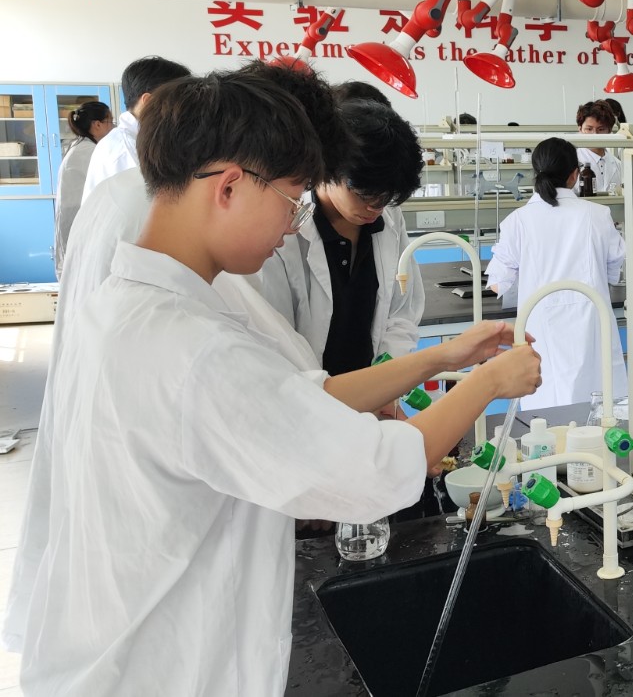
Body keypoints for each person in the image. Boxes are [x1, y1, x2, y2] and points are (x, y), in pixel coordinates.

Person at [10, 71, 541, 695]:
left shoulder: (136, 306)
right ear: (230, 185)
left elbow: (298, 398)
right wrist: (489, 382)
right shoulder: (195, 349)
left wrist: (444, 356)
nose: (293, 226)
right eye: (292, 200)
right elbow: (374, 470)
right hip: (164, 668)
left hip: (124, 645)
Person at [248, 97, 426, 377]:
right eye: (365, 195)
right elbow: (277, 337)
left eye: (387, 197)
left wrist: (385, 374)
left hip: (373, 388)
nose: (376, 208)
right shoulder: (287, 230)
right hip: (305, 390)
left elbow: (402, 311)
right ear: (327, 169)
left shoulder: (389, 218)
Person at [487, 137, 627, 410]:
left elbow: (498, 283)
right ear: (575, 175)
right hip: (591, 323)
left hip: (540, 328)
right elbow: (615, 266)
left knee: (545, 415)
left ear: (535, 173)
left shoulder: (517, 220)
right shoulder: (598, 214)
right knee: (599, 411)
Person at [81, 55, 190, 199]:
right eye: (180, 100)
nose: (186, 110)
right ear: (149, 102)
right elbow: (154, 203)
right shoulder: (127, 148)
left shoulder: (142, 140)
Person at [53, 100, 114, 277]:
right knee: (83, 271)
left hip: (78, 217)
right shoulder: (88, 151)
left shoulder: (83, 146)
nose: (113, 127)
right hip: (79, 218)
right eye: (110, 121)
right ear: (97, 125)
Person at [576, 100, 623, 193]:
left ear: (609, 131)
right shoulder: (571, 162)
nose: (595, 134)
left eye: (601, 129)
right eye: (589, 129)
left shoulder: (618, 165)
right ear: (580, 129)